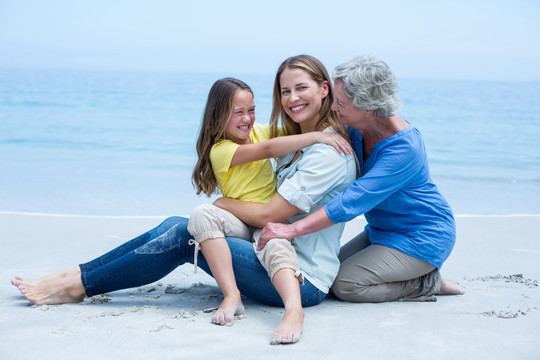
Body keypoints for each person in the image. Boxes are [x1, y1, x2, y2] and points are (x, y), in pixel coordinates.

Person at [11, 56, 356, 345]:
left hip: (301, 277)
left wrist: (223, 205)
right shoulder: (295, 139)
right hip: (262, 247)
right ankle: (78, 274)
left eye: (301, 88)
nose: (292, 98)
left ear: (324, 89)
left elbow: (270, 213)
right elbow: (261, 144)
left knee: (183, 236)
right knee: (178, 224)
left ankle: (77, 286)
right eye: (285, 91)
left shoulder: (325, 150)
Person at [258, 55, 465, 303]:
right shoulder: (357, 128)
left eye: (341, 104)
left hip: (422, 236)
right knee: (330, 275)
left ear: (368, 108)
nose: (333, 108)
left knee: (346, 285)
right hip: (381, 230)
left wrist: (291, 229)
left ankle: (425, 282)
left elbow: (351, 201)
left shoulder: (404, 148)